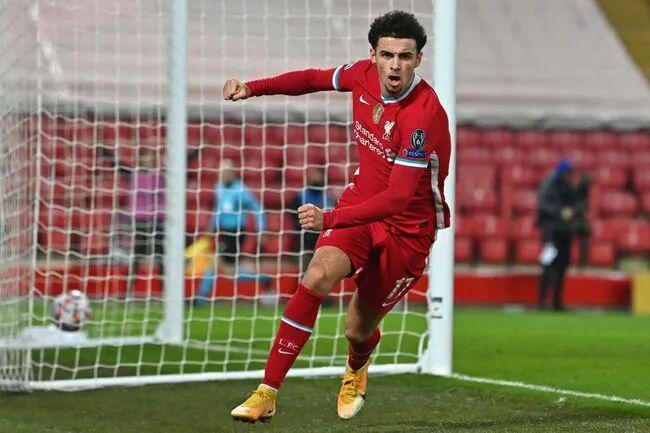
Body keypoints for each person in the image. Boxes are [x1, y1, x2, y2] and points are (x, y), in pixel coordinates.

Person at [223, 10, 451, 422]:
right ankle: (266, 392)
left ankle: (357, 363)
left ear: (418, 59)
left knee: (357, 329)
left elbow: (399, 197)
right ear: (373, 55)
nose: (394, 65)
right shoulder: (360, 74)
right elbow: (312, 79)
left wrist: (328, 219)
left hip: (408, 230)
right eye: (387, 55)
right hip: (361, 205)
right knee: (316, 276)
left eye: (404, 56)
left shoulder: (423, 115)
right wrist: (253, 88)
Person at [195, 159, 266, 306]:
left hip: (236, 233)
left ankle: (200, 298)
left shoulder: (241, 190)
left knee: (217, 265)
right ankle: (263, 279)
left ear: (233, 173)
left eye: (227, 172)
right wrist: (211, 227)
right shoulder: (218, 187)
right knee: (228, 271)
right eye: (222, 172)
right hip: (223, 232)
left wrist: (262, 228)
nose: (224, 174)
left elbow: (257, 208)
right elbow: (218, 210)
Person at [536, 159, 579, 311]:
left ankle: (557, 302)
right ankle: (542, 301)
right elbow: (543, 205)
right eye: (567, 172)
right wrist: (560, 212)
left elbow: (575, 205)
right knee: (547, 265)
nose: (569, 175)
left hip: (565, 232)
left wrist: (573, 212)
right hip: (551, 232)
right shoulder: (549, 184)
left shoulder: (569, 186)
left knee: (562, 266)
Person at [125, 147, 165, 294]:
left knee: (160, 255)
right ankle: (130, 289)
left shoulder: (162, 176)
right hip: (141, 221)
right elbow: (115, 164)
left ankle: (164, 289)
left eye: (150, 158)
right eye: (145, 158)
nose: (148, 161)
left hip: (157, 220)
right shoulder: (134, 176)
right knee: (137, 254)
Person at [291, 167, 336, 275]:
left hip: (324, 240)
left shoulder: (329, 198)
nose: (316, 179)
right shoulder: (300, 197)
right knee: (306, 271)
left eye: (318, 177)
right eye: (313, 177)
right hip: (306, 240)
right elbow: (295, 218)